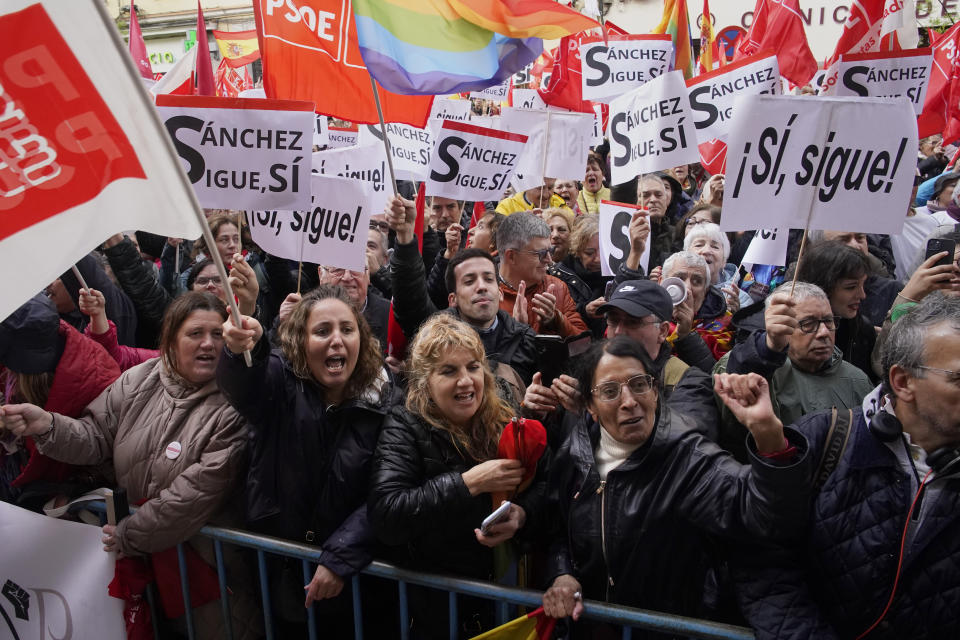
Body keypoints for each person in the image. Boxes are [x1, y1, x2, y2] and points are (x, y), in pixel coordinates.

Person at [1, 292, 251, 637]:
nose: (208, 344)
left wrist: (126, 535)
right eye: (195, 333)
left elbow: (192, 495)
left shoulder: (235, 403)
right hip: (141, 565)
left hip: (207, 573)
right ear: (171, 339)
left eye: (218, 334)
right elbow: (95, 436)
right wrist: (47, 425)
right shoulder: (140, 378)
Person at [540, 337, 811, 636]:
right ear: (590, 406)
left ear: (655, 391)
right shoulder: (575, 452)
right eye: (609, 391)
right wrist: (563, 575)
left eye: (639, 384)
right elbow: (557, 531)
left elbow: (765, 515)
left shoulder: (686, 456)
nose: (629, 401)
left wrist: (769, 437)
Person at [736, 293, 960, 640]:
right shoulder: (824, 440)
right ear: (902, 382)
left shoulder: (853, 378)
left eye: (829, 323)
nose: (823, 333)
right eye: (958, 379)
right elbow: (764, 563)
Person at [219, 285, 392, 635]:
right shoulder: (280, 384)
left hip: (356, 586)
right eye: (322, 331)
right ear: (300, 340)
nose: (337, 341)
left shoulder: (387, 401)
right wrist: (239, 352)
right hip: (282, 579)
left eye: (347, 329)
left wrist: (341, 557)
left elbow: (386, 491)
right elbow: (246, 384)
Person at [369, 314, 538, 638]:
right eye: (449, 371)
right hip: (437, 609)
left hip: (502, 601)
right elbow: (387, 514)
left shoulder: (503, 410)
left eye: (473, 367)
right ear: (424, 380)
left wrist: (521, 514)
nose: (466, 381)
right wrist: (469, 483)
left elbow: (541, 486)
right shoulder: (404, 424)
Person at [385, 195, 539, 384]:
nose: (481, 287)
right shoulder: (434, 334)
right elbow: (410, 300)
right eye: (469, 281)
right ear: (453, 299)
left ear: (499, 292)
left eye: (489, 279)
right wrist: (405, 236)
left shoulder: (526, 339)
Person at [715, 284, 873, 461]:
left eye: (829, 321)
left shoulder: (857, 380)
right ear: (780, 326)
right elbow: (737, 431)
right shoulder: (754, 369)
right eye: (808, 323)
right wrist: (769, 348)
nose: (823, 332)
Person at [0, 294, 121, 509]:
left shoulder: (93, 380)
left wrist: (74, 492)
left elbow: (106, 448)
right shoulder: (44, 337)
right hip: (22, 470)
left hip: (53, 493)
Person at [495, 213, 589, 337]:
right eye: (541, 253)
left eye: (550, 251)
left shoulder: (557, 287)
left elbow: (583, 344)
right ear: (511, 256)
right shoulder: (487, 294)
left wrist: (556, 320)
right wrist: (514, 330)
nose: (549, 260)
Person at [795, 241, 877, 380]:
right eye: (850, 287)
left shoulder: (863, 330)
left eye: (863, 285)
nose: (862, 295)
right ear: (823, 286)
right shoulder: (786, 328)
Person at [661, 251, 735, 362]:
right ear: (662, 282)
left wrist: (686, 336)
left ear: (706, 290)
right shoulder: (646, 316)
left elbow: (714, 373)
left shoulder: (724, 323)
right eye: (679, 278)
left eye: (697, 281)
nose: (687, 288)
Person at [547, 215, 611, 338]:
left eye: (603, 252)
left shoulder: (617, 273)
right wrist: (585, 311)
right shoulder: (559, 275)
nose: (597, 259)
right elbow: (559, 317)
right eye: (589, 253)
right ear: (577, 250)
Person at [317, 264, 390, 350]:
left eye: (356, 269)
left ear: (368, 274)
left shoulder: (391, 316)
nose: (347, 277)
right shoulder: (306, 316)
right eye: (338, 269)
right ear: (321, 274)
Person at [684, 222, 751, 312]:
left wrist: (735, 317)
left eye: (715, 247)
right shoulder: (673, 285)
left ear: (724, 261)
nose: (706, 251)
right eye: (699, 245)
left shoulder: (741, 299)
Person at [496, 179, 570, 216]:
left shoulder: (562, 207)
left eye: (550, 188)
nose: (546, 194)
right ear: (526, 186)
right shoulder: (507, 207)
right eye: (540, 188)